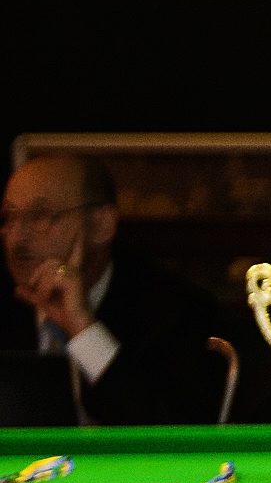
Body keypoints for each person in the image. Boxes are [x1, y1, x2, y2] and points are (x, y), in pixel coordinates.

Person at [0, 156, 228, 425]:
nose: (16, 238)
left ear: (101, 225)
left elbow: (171, 431)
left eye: (40, 217)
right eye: (8, 218)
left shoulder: (177, 309)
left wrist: (83, 328)